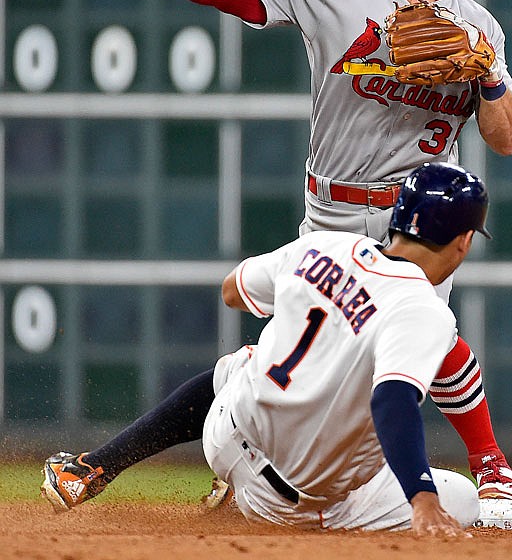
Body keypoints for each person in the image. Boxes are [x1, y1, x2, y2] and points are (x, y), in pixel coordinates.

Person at [102, 0, 512, 499]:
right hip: (330, 216)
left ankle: (489, 465)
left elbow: (507, 135)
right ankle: (246, 459)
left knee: (424, 340)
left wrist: (489, 72)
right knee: (293, 363)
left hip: (415, 221)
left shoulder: (479, 25)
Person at [42, 162, 488, 535]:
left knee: (249, 362)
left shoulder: (327, 244)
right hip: (289, 502)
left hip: (225, 436)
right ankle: (246, 503)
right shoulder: (423, 310)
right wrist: (423, 500)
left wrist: (317, 300)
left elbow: (232, 291)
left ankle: (94, 467)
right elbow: (392, 401)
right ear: (464, 240)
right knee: (463, 500)